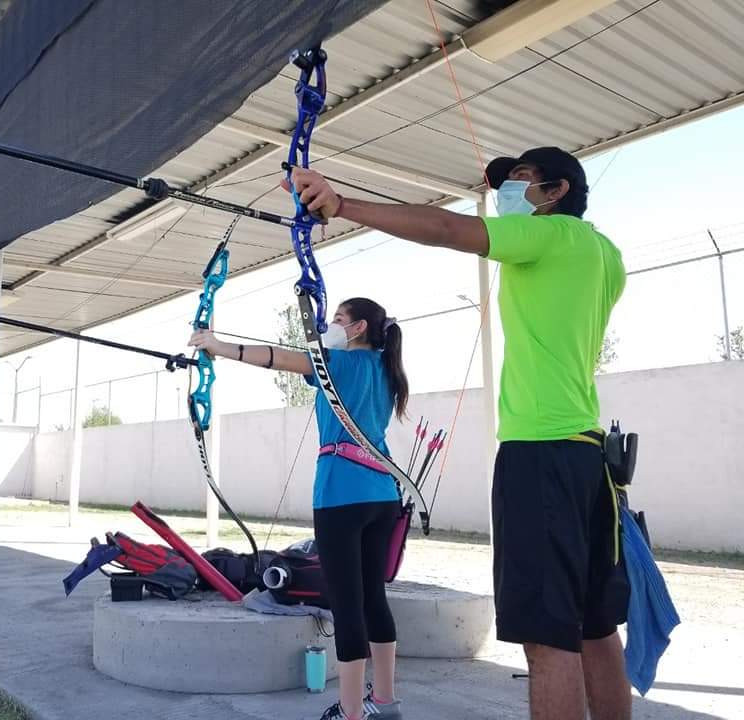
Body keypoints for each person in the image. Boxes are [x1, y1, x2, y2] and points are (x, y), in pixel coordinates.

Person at [283, 147, 630, 720]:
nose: (507, 194)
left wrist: (341, 203)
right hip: (589, 458)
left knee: (548, 638)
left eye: (521, 181)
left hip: (539, 453)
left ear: (556, 192)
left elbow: (446, 227)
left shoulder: (549, 237)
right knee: (594, 627)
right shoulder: (606, 255)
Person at [190, 297, 408, 720]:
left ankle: (350, 712)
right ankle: (385, 701)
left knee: (346, 606)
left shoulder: (339, 366)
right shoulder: (387, 368)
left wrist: (219, 346)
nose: (330, 325)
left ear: (358, 328)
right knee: (373, 600)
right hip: (382, 495)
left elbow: (279, 359)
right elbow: (300, 358)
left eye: (339, 320)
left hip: (341, 496)